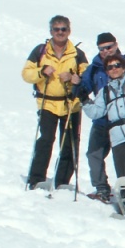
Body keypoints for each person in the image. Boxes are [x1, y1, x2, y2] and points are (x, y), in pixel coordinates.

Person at [77, 32, 125, 201]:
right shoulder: (95, 69)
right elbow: (85, 88)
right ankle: (103, 188)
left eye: (109, 47)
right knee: (96, 155)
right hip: (105, 122)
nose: (106, 51)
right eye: (102, 49)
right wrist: (79, 92)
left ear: (116, 45)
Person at [21, 16, 88, 189]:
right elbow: (26, 74)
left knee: (69, 144)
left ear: (69, 31)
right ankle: (36, 179)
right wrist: (41, 72)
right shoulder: (41, 51)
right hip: (47, 103)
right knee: (46, 140)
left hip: (70, 104)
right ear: (51, 31)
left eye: (63, 29)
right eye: (56, 29)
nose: (60, 32)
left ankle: (62, 182)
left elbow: (87, 77)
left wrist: (74, 78)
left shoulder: (77, 54)